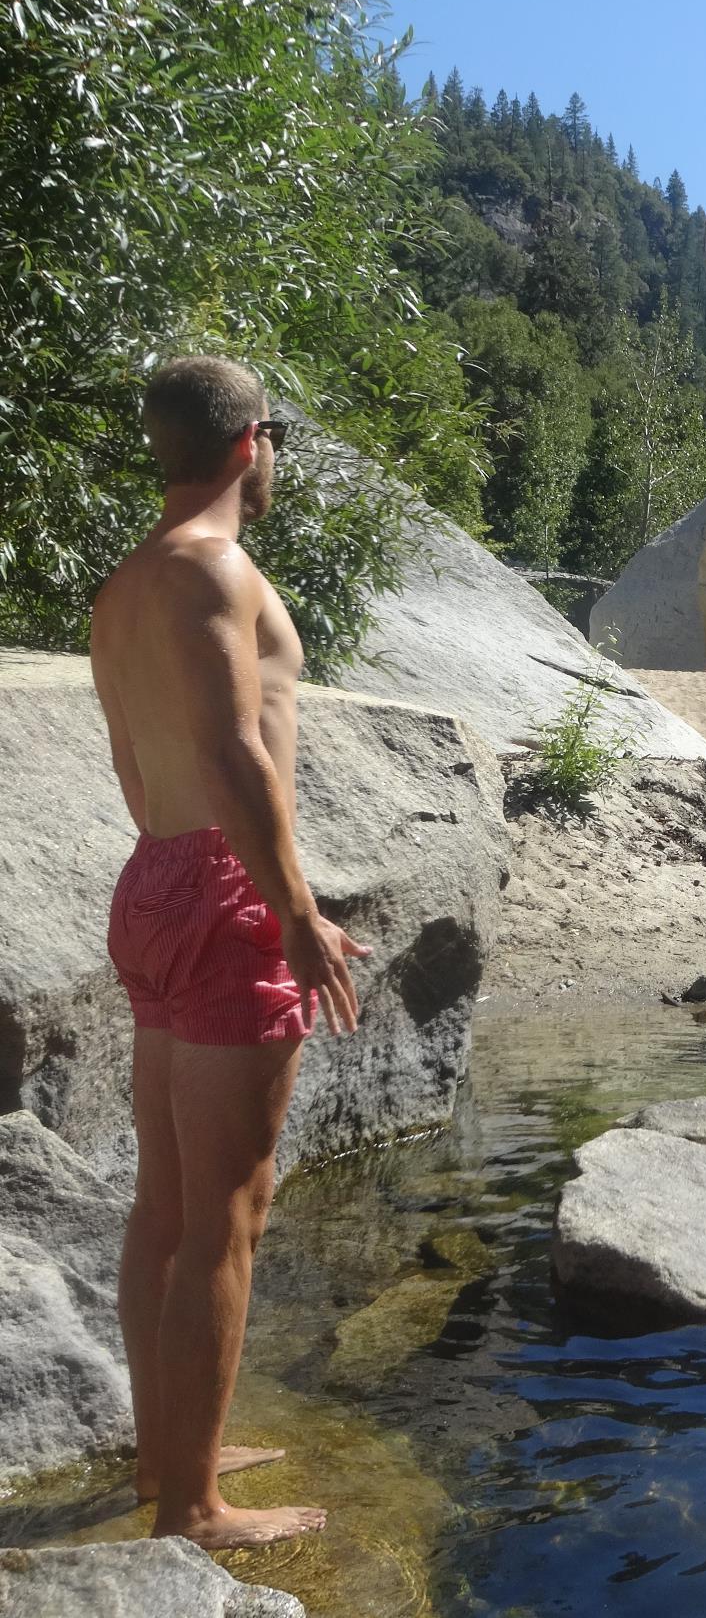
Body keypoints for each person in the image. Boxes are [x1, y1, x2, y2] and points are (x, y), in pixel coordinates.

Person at [90, 355, 370, 1549]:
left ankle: (172, 1455)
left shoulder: (126, 583)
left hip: (155, 873)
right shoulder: (215, 570)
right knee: (229, 1215)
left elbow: (133, 762)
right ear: (251, 442)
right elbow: (236, 754)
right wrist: (291, 911)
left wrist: (198, 877)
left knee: (167, 1201)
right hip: (219, 886)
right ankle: (195, 1509)